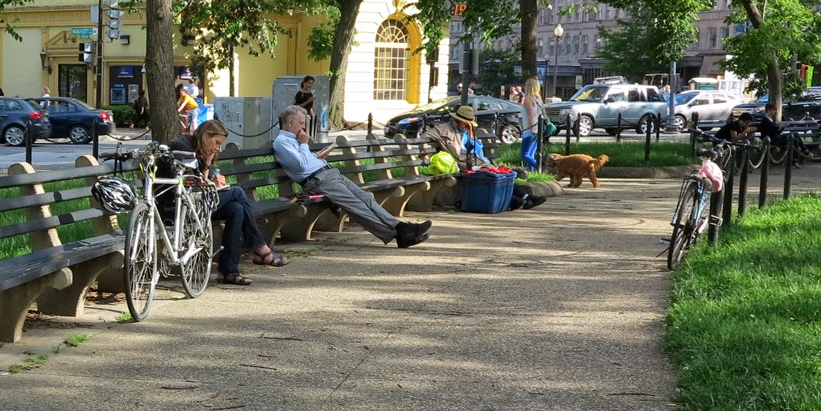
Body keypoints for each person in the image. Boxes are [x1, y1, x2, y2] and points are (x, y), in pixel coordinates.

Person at [274, 104, 431, 248]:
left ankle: (400, 228)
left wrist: (317, 156)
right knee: (357, 206)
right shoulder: (282, 143)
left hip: (329, 173)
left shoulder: (295, 140)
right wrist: (304, 144)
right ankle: (399, 234)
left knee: (366, 198)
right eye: (301, 123)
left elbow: (304, 160)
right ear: (290, 122)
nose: (304, 128)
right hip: (318, 180)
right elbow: (300, 166)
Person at [170, 119, 287, 286]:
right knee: (237, 192)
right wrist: (210, 181)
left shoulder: (204, 152)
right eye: (216, 142)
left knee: (236, 209)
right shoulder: (182, 147)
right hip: (179, 206)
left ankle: (229, 271)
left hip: (196, 204)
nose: (217, 148)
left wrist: (211, 173)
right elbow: (190, 183)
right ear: (205, 135)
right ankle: (260, 247)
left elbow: (201, 183)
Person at [425, 103, 547, 210]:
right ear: (457, 120)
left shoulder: (469, 131)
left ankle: (520, 198)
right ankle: (515, 199)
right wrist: (424, 153)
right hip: (466, 165)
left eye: (469, 123)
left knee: (502, 175)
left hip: (479, 163)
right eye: (465, 123)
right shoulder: (443, 130)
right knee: (491, 175)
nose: (467, 125)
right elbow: (426, 136)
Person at [518, 76, 545, 171]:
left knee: (525, 155)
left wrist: (532, 130)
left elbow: (531, 116)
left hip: (530, 130)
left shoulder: (528, 99)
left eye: (526, 84)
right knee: (531, 154)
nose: (524, 86)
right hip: (538, 129)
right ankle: (532, 173)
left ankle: (542, 168)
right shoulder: (538, 99)